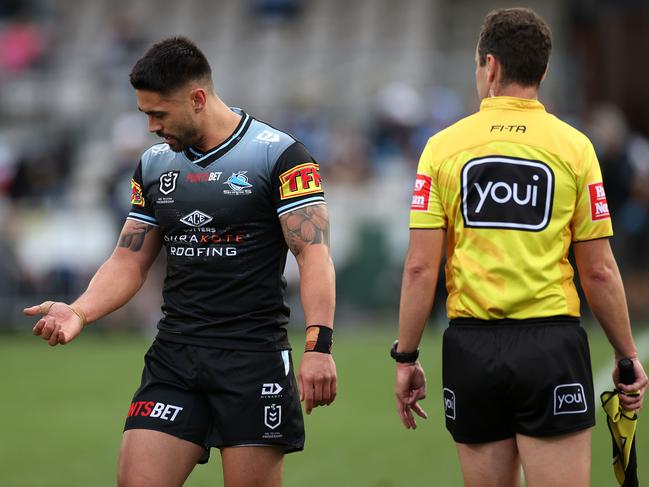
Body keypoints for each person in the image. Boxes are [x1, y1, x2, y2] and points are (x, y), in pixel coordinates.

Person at [24, 36, 337, 487]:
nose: (151, 126)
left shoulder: (278, 156)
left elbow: (313, 254)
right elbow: (128, 262)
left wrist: (318, 347)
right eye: (144, 114)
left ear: (196, 99)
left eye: (158, 114)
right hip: (175, 356)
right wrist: (79, 310)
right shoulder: (154, 166)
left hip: (252, 359)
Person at [392, 8, 647, 487]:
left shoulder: (442, 148)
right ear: (543, 71)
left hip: (470, 348)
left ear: (490, 67)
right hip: (550, 346)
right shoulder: (574, 147)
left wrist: (406, 358)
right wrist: (626, 354)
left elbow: (420, 269)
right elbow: (600, 272)